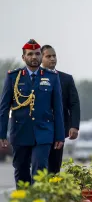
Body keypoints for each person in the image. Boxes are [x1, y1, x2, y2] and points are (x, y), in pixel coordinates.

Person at [0, 39, 65, 186]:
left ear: (41, 56)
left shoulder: (52, 77)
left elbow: (58, 108)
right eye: (30, 54)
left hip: (44, 133)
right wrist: (2, 134)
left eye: (37, 54)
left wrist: (60, 136)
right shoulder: (13, 77)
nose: (34, 57)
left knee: (39, 169)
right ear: (24, 57)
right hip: (20, 131)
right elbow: (4, 108)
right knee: (21, 171)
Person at [41, 45, 81, 174]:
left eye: (54, 56)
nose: (52, 59)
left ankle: (52, 192)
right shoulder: (33, 78)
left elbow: (74, 104)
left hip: (58, 130)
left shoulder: (66, 79)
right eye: (48, 56)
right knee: (38, 165)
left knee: (54, 167)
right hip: (38, 129)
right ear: (41, 58)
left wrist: (74, 126)